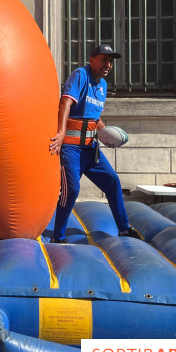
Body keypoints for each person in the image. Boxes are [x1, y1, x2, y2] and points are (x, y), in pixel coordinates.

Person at [48, 44, 140, 243]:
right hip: (71, 148)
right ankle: (58, 236)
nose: (108, 65)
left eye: (110, 61)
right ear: (91, 60)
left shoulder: (103, 85)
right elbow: (65, 103)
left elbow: (94, 118)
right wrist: (61, 133)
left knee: (113, 181)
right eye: (104, 60)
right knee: (72, 190)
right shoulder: (80, 75)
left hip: (90, 149)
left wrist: (106, 133)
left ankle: (124, 229)